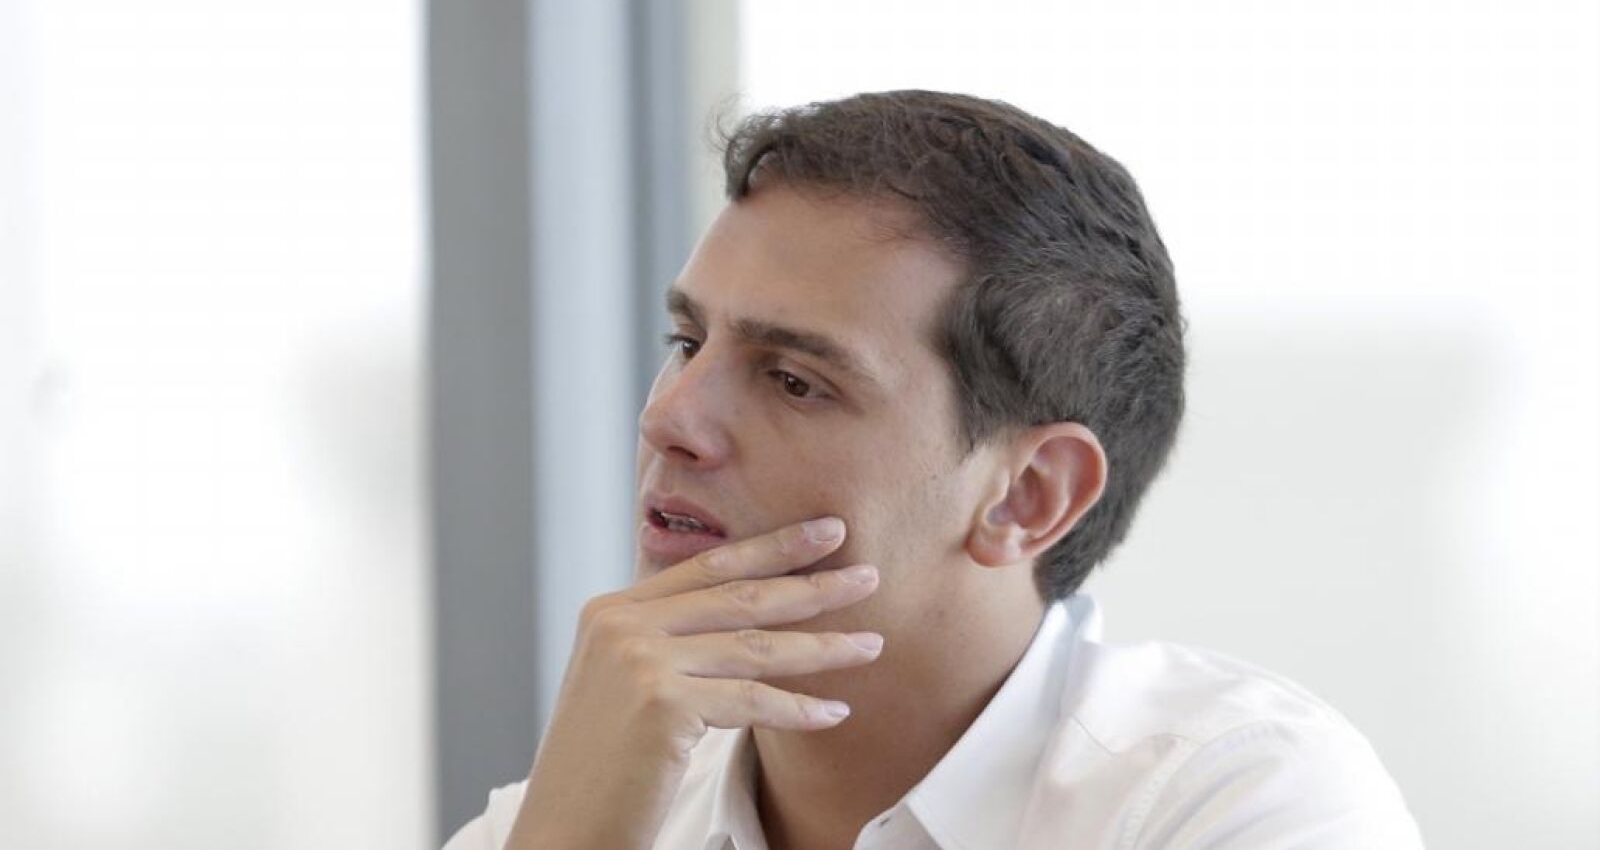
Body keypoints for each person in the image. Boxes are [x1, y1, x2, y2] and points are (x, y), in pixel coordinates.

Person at [443, 90, 1426, 849]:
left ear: (1028, 496)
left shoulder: (1238, 797)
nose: (669, 419)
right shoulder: (565, 818)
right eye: (686, 342)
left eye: (794, 381)